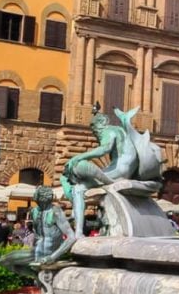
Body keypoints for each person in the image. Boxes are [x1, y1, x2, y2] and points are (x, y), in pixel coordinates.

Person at [61, 102, 162, 239]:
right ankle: (79, 230)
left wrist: (79, 156)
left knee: (78, 185)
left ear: (102, 123)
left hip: (119, 170)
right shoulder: (119, 130)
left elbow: (105, 148)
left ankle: (78, 232)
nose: (95, 132)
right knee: (80, 186)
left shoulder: (108, 131)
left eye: (95, 128)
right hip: (126, 170)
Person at [0, 186, 76, 278]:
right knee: (4, 260)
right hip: (36, 253)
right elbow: (37, 236)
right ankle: (36, 276)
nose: (34, 198)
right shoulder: (34, 211)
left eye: (36, 196)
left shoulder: (55, 211)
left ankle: (39, 277)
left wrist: (53, 257)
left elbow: (71, 237)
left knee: (6, 260)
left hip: (51, 254)